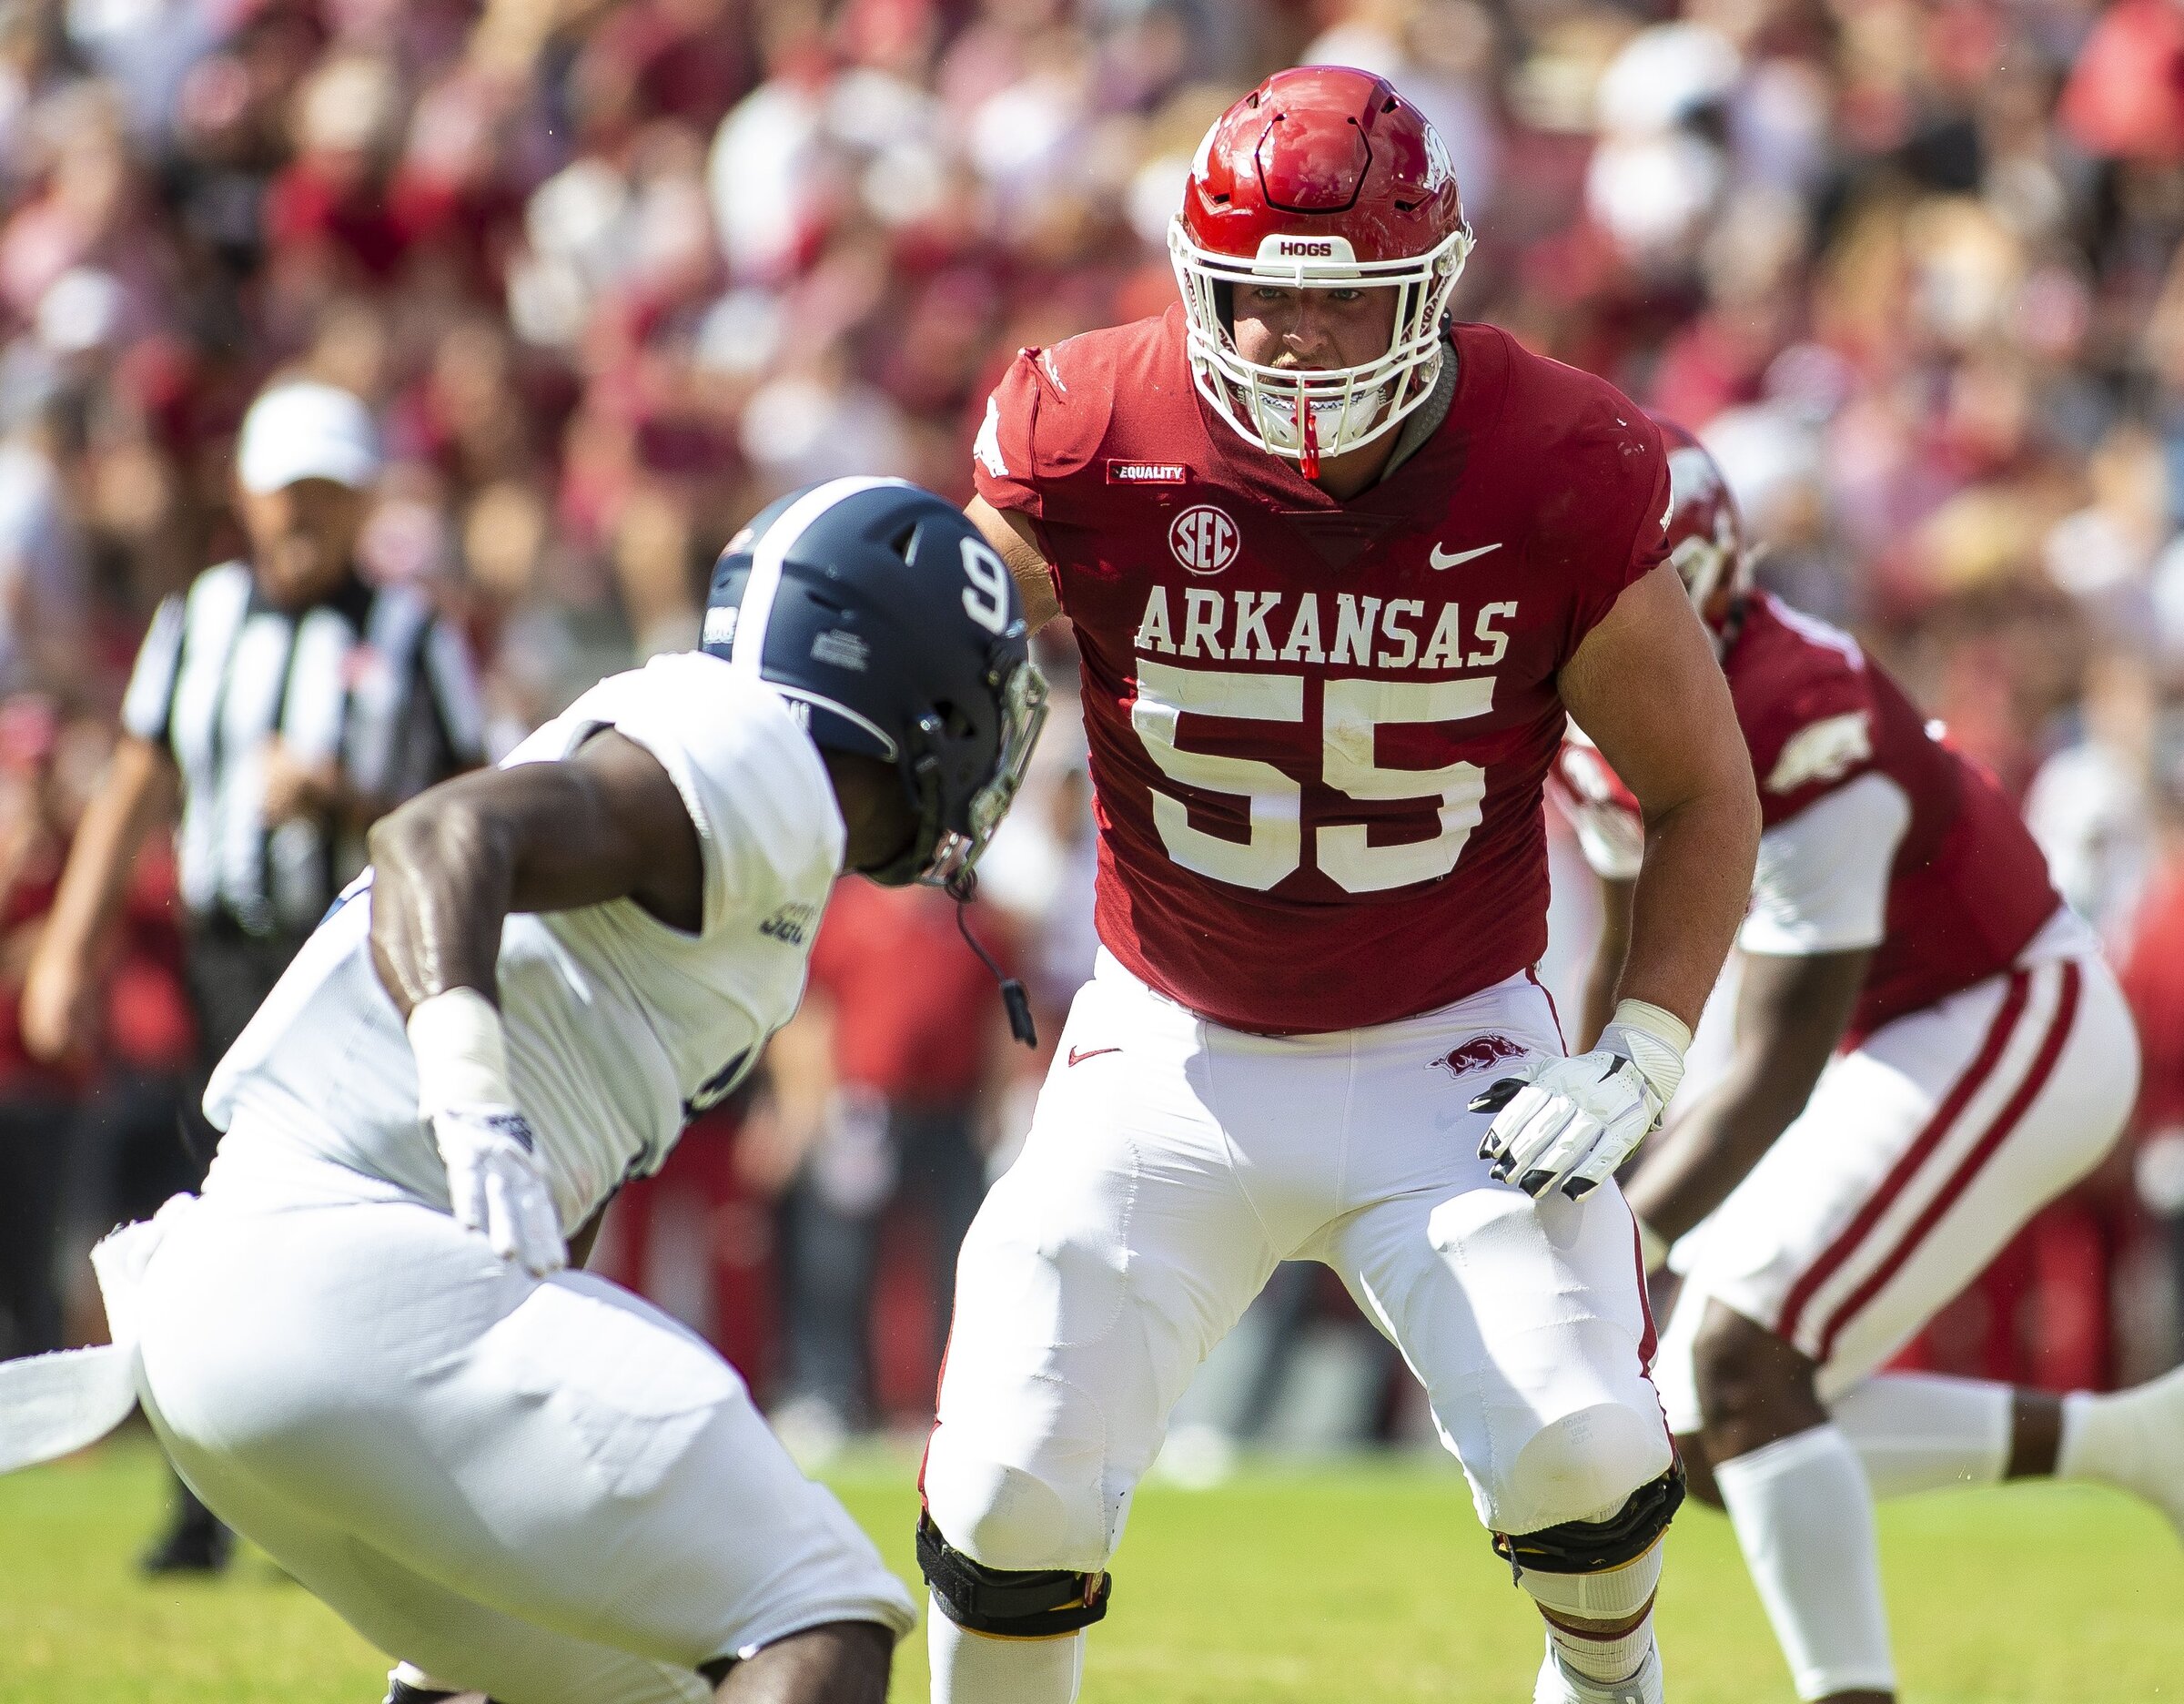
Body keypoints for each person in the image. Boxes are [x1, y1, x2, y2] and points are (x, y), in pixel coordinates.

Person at [922, 67, 1761, 1704]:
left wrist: (1646, 1050)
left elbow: (1703, 790)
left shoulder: (1553, 458)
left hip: (1453, 1055)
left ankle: (1608, 1684)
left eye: (1344, 308)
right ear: (1196, 280)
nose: (1295, 350)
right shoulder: (1091, 431)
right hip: (1172, 1045)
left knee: (1587, 1455)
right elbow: (934, 638)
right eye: (1260, 305)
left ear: (1433, 292)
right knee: (1012, 1475)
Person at [0, 478, 1048, 1704]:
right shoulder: (756, 755)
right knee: (818, 1614)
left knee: (599, 1683)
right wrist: (471, 1092)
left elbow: (560, 1191)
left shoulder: (756, 830)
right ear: (914, 685)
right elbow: (434, 840)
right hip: (346, 1269)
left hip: (244, 1334)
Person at [1550, 422, 2167, 1704]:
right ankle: (2137, 1443)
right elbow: (1633, 962)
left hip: (2006, 1011)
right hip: (1898, 1030)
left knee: (1735, 1359)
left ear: (1710, 587)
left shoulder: (1800, 714)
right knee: (1700, 1425)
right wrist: (1579, 1144)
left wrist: (1613, 1234)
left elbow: (1773, 1061)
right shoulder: (1589, 707)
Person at [20, 376, 487, 1573]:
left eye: (328, 498)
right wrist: (74, 943)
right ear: (247, 497)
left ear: (362, 503)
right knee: (212, 1224)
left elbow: (479, 815)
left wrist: (347, 801)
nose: (303, 521)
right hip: (222, 964)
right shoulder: (200, 619)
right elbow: (137, 780)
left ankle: (336, 1498)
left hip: (353, 964)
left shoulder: (415, 637)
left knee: (345, 1228)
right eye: (288, 497)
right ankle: (207, 1501)